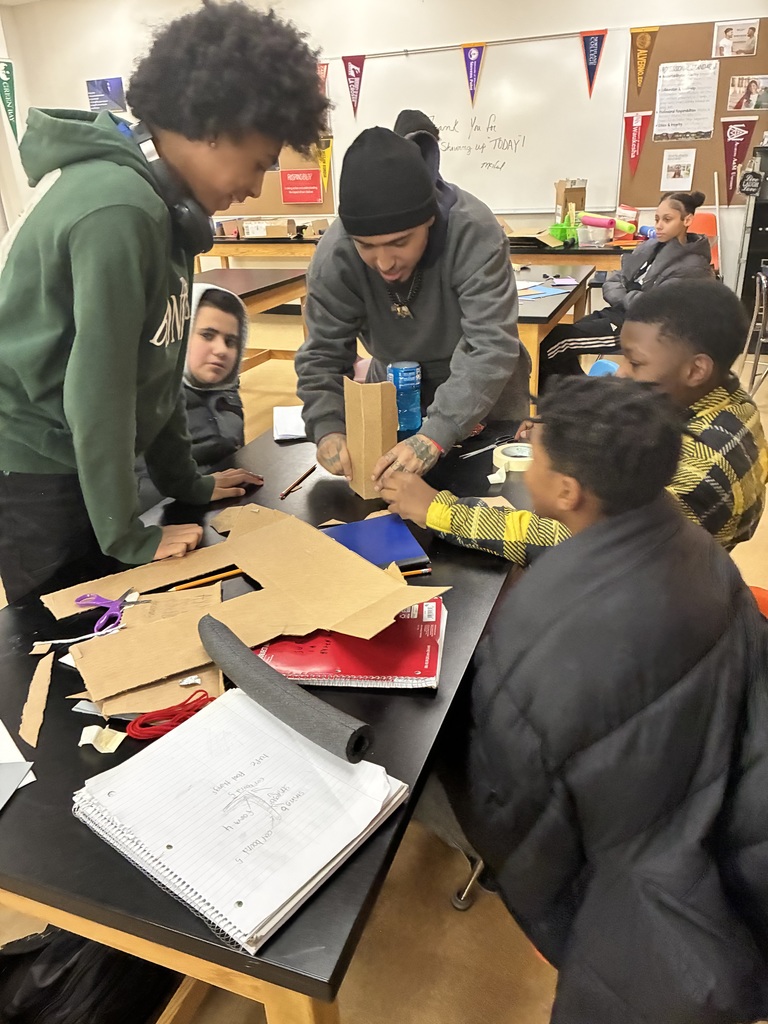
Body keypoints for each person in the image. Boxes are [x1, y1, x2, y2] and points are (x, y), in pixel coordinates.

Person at [437, 374, 768, 1023]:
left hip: (655, 923)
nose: (527, 458)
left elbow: (519, 830)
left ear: (566, 491)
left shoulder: (544, 630)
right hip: (740, 841)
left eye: (536, 452)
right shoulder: (696, 543)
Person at [0, 1, 327, 603]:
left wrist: (189, 483)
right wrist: (129, 539)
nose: (255, 187)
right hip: (44, 472)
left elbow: (156, 370)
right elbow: (99, 389)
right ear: (212, 126)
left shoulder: (168, 211)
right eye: (256, 164)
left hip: (90, 462)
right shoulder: (120, 211)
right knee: (63, 650)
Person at [379, 280, 768, 561]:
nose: (621, 374)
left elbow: (577, 543)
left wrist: (438, 510)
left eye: (635, 363)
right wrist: (572, 427)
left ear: (696, 370)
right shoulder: (728, 401)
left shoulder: (700, 469)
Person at [294, 126, 529, 488]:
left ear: (429, 219)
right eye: (366, 246)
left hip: (483, 389)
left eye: (399, 242)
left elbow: (490, 345)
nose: (384, 262)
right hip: (395, 385)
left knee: (488, 497)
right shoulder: (334, 257)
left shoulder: (474, 231)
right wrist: (327, 426)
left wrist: (438, 432)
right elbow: (322, 354)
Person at [538, 190, 713, 384]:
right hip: (620, 313)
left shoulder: (693, 266)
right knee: (551, 338)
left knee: (555, 343)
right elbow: (614, 281)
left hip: (643, 328)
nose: (659, 225)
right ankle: (578, 396)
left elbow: (654, 307)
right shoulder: (651, 247)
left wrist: (625, 294)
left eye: (667, 219)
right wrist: (629, 295)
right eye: (656, 219)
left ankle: (572, 398)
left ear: (687, 220)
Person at [136, 283, 248, 512]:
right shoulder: (153, 400)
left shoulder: (226, 391)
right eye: (208, 335)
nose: (221, 350)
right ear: (179, 333)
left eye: (231, 341)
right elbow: (143, 489)